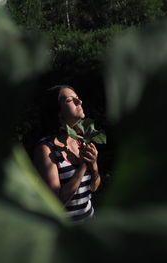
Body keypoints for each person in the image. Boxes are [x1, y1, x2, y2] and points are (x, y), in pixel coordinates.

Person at [33, 85, 101, 223]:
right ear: (58, 113)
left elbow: (94, 187)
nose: (79, 102)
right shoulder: (46, 149)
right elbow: (55, 203)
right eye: (70, 100)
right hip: (66, 235)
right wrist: (82, 167)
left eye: (78, 98)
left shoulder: (81, 142)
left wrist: (93, 165)